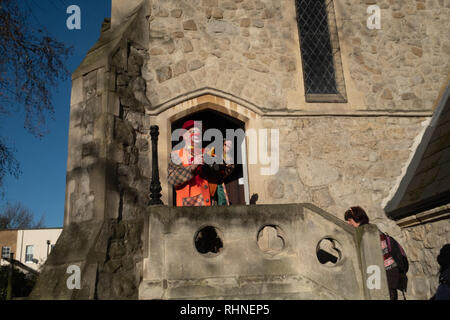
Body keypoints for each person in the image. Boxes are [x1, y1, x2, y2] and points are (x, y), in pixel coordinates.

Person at [344, 206, 407, 300]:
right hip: (383, 270)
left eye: (349, 220)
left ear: (356, 218)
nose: (348, 223)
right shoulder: (365, 230)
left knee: (389, 295)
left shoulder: (368, 231)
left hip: (387, 270)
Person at [168, 119, 234, 207]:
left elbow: (223, 174)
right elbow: (172, 179)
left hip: (212, 205)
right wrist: (192, 167)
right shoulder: (177, 155)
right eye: (193, 131)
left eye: (199, 132)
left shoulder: (207, 152)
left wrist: (226, 155)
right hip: (189, 207)